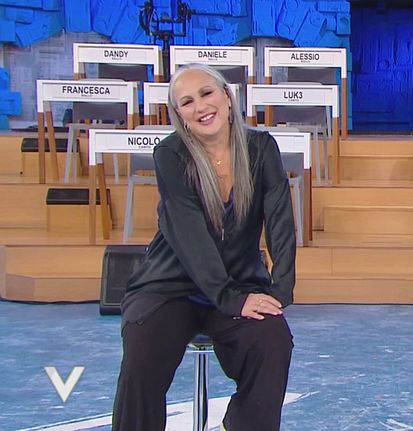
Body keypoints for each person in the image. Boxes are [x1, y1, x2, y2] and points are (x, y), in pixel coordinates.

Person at [112, 63, 296, 431]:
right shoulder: (170, 154)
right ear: (179, 114)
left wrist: (281, 290)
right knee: (142, 350)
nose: (200, 106)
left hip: (240, 281)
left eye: (206, 93)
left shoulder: (261, 148)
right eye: (187, 102)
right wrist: (228, 298)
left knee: (273, 341)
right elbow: (190, 236)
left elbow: (280, 220)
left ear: (227, 97)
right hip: (170, 285)